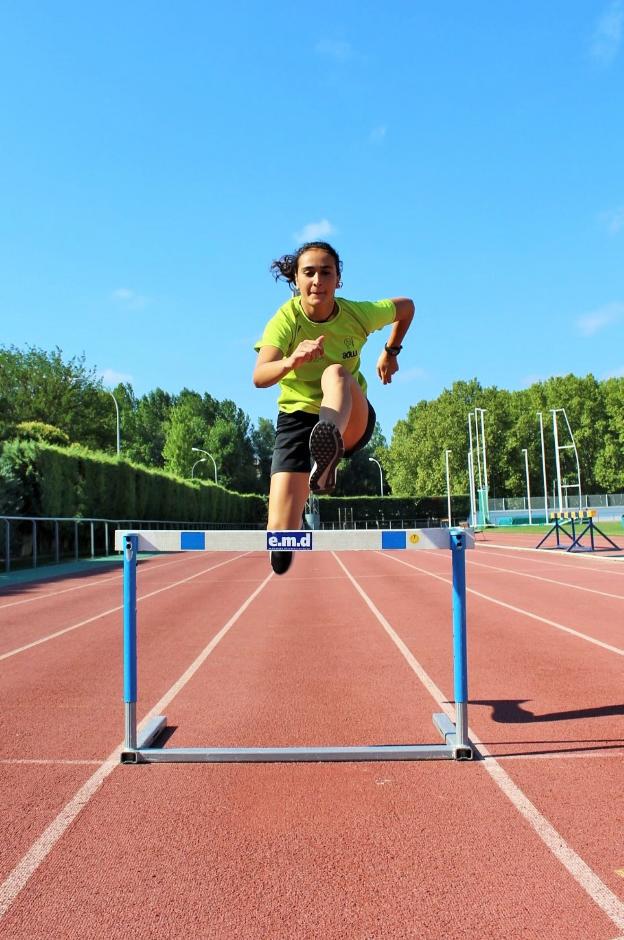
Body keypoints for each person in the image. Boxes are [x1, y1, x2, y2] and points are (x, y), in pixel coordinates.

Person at [253, 241, 414, 575]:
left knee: (335, 372)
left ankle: (327, 446)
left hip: (349, 416)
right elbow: (260, 376)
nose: (317, 281)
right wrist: (291, 360)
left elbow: (406, 307)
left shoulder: (359, 314)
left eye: (326, 272)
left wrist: (391, 351)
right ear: (296, 280)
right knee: (279, 547)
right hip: (296, 419)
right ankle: (299, 508)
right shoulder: (285, 320)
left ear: (338, 280)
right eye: (308, 273)